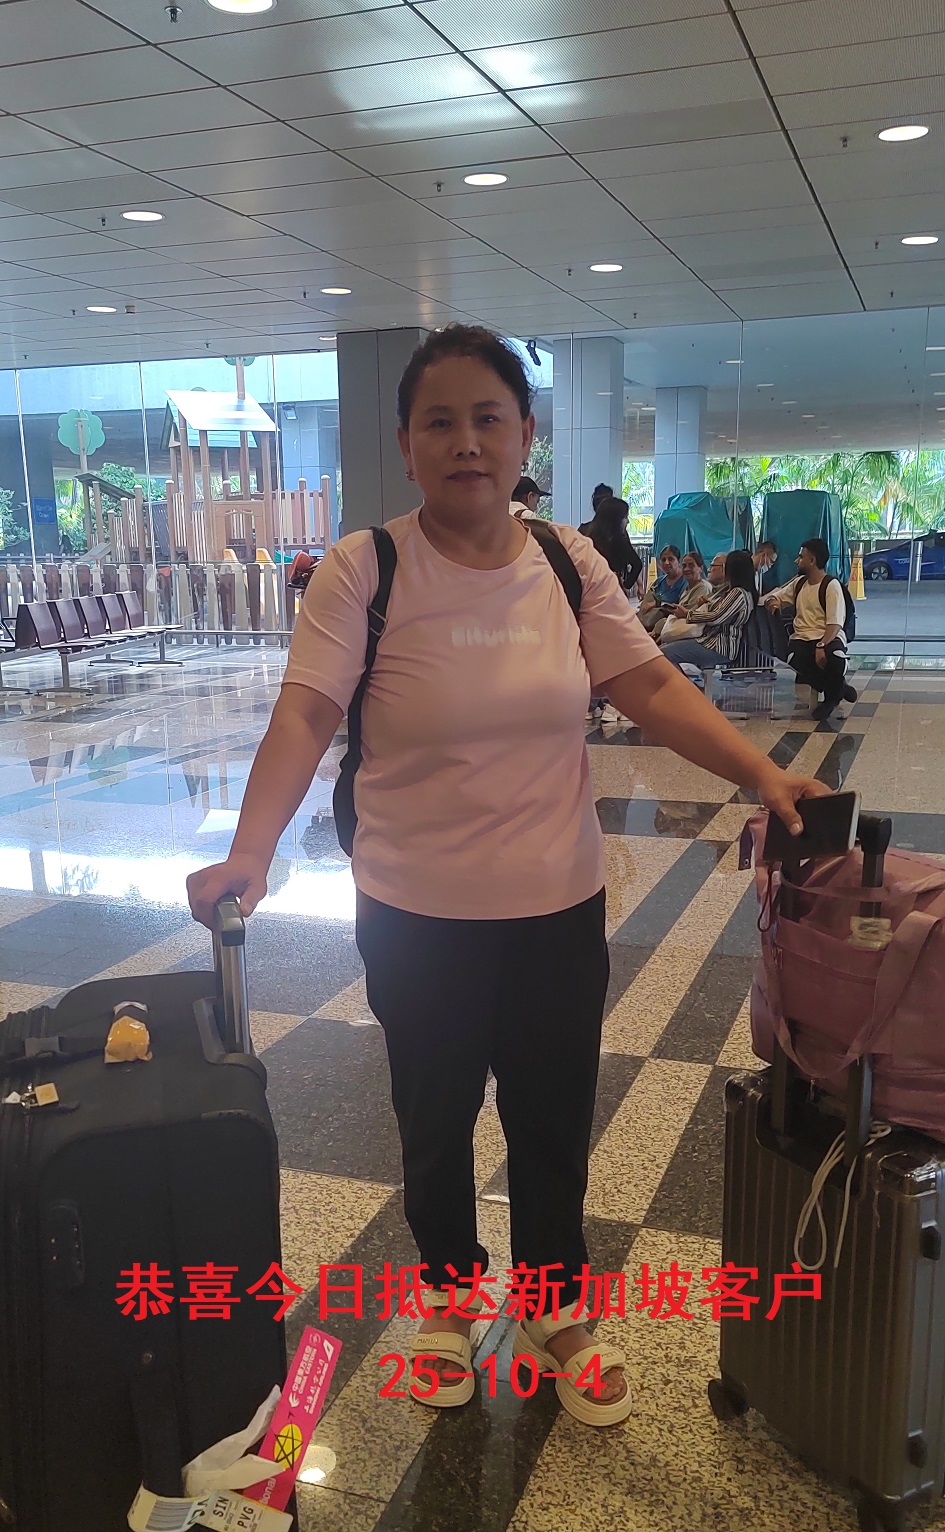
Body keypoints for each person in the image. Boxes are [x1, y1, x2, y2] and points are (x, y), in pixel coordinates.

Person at [186, 323, 830, 1429]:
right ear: (405, 442)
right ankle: (447, 1298)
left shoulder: (566, 563)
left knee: (550, 1118)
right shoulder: (365, 568)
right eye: (438, 421)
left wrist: (763, 773)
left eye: (488, 418)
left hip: (554, 906)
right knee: (433, 1116)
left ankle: (550, 1307)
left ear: (525, 434)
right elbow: (306, 712)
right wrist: (252, 847)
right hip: (414, 910)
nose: (466, 442)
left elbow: (650, 686)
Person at [765, 538, 857, 720]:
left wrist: (821, 645)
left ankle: (830, 699)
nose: (796, 561)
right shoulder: (799, 583)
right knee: (795, 658)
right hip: (802, 637)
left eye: (801, 557)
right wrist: (773, 601)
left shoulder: (831, 586)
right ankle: (838, 689)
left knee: (836, 659)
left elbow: (835, 624)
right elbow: (777, 597)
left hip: (828, 636)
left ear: (812, 561)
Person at [579, 495, 643, 725]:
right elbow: (637, 564)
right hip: (611, 595)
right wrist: (625, 583)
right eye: (625, 517)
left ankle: (590, 704)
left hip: (585, 597)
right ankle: (612, 703)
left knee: (591, 648)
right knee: (616, 647)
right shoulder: (619, 538)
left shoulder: (584, 533)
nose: (627, 522)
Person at [661, 548, 756, 673]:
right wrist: (707, 604)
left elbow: (716, 617)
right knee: (663, 650)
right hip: (711, 641)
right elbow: (722, 612)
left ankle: (682, 684)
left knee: (664, 654)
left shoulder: (737, 593)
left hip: (718, 646)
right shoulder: (737, 592)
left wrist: (687, 614)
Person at [658, 550, 712, 645]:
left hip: (691, 636)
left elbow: (688, 616)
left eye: (691, 565)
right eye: (684, 566)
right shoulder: (687, 588)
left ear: (700, 568)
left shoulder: (703, 588)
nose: (686, 569)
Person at [638, 545, 686, 635]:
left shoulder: (685, 582)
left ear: (679, 561)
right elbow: (645, 605)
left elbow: (682, 609)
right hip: (648, 624)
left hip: (670, 625)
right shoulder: (658, 582)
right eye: (663, 560)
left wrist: (657, 604)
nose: (666, 563)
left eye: (671, 559)